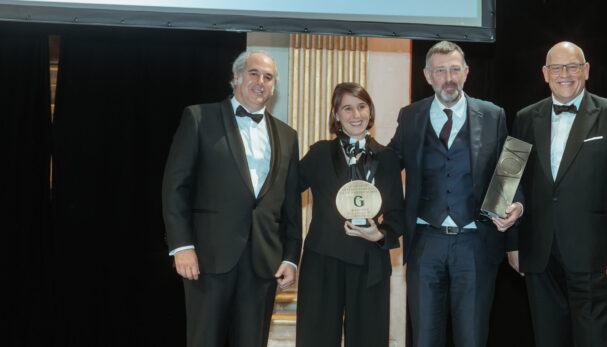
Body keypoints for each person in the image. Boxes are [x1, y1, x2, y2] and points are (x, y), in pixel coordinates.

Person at [508, 41, 607, 347]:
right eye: (556, 68)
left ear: (586, 70)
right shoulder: (525, 117)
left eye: (572, 66)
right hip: (538, 253)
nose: (564, 74)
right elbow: (508, 181)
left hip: (594, 254)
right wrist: (511, 243)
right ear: (545, 74)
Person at [161, 49, 302, 347]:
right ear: (236, 77)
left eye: (268, 77)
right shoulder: (199, 117)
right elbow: (175, 187)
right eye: (254, 73)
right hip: (208, 258)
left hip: (263, 263)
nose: (260, 82)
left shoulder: (288, 136)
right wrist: (181, 246)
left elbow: (291, 205)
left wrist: (290, 257)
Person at [388, 40, 523, 346]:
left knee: (472, 338)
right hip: (425, 242)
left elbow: (509, 176)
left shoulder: (493, 114)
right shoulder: (410, 116)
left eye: (454, 70)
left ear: (466, 72)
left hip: (475, 243)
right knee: (424, 338)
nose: (447, 78)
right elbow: (388, 165)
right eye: (440, 71)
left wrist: (515, 207)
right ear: (426, 75)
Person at [295, 82, 404, 347]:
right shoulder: (319, 153)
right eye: (347, 108)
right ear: (336, 115)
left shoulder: (387, 158)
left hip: (370, 264)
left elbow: (397, 215)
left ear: (370, 111)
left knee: (369, 339)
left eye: (362, 106)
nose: (356, 115)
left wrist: (379, 234)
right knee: (315, 339)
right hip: (322, 261)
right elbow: (284, 194)